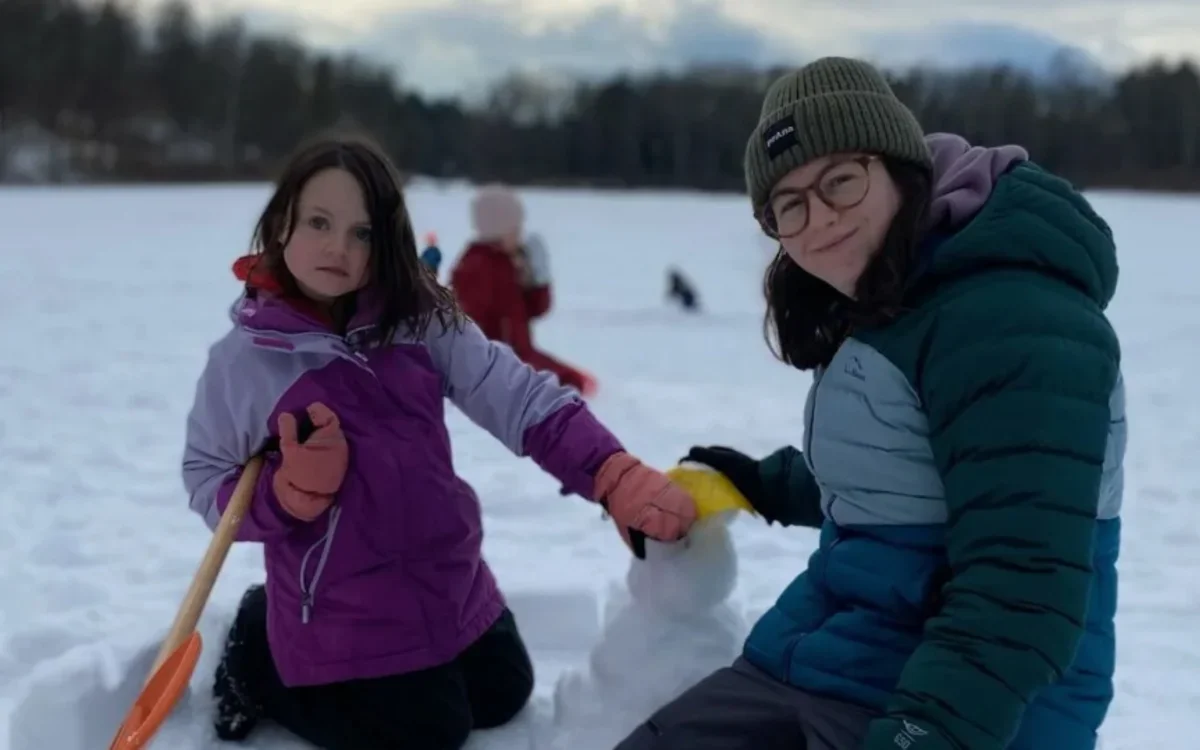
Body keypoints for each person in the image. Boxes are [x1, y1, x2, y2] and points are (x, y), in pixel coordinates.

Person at [617, 56, 1125, 750]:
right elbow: (915, 472)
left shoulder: (1015, 318)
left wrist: (919, 735)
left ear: (901, 170)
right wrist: (761, 482)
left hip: (968, 708)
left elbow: (1020, 594)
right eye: (789, 205)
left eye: (840, 181)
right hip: (829, 659)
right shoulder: (903, 292)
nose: (819, 220)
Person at [180, 133, 698, 750]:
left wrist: (610, 471)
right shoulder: (246, 362)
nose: (338, 247)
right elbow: (207, 476)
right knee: (431, 730)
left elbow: (518, 396)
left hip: (445, 579)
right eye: (318, 222)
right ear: (281, 223)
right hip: (341, 609)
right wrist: (287, 494)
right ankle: (259, 655)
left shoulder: (420, 321)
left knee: (503, 690)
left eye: (362, 232)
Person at [449, 184, 597, 397]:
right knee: (568, 385)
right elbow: (470, 321)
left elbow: (535, 310)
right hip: (495, 361)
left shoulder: (510, 263)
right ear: (497, 230)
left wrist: (538, 279)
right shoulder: (476, 266)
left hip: (521, 353)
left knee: (576, 381)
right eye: (515, 229)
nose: (519, 235)